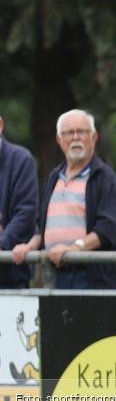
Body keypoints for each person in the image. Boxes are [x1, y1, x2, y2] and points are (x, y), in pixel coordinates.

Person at [12, 109, 116, 289]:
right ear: (59, 140)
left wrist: (74, 249)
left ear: (94, 138)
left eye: (81, 132)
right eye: (69, 133)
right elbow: (42, 227)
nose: (75, 138)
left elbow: (110, 227)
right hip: (55, 274)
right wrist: (29, 247)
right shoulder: (54, 177)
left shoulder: (103, 177)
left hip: (90, 277)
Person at [0, 113, 38, 288]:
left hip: (10, 275)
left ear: (0, 125)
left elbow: (26, 212)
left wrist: (2, 243)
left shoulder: (21, 160)